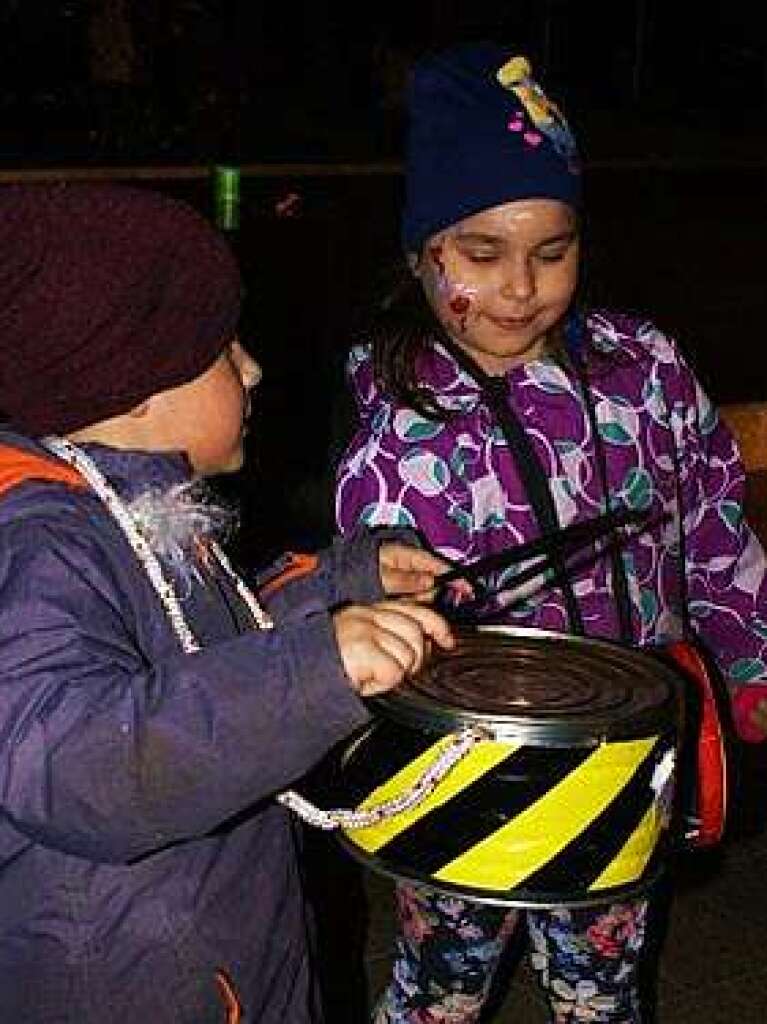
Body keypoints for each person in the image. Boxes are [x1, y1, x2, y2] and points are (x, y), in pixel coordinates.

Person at [335, 43, 767, 1023]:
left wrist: (752, 664)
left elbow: (710, 531)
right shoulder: (398, 419)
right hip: (465, 764)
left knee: (602, 990)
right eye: (480, 254)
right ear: (419, 252)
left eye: (551, 249)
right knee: (439, 986)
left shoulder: (645, 371)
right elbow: (366, 615)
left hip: (623, 753)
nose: (520, 286)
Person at [0, 182, 454, 1023]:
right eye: (221, 348)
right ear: (133, 387)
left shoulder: (128, 506)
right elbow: (69, 761)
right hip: (138, 986)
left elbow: (204, 653)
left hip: (227, 945)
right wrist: (314, 669)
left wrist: (339, 589)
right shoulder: (39, 547)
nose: (251, 366)